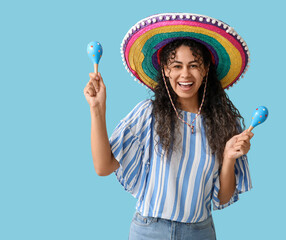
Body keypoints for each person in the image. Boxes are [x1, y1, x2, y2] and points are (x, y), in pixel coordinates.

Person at [84, 13, 254, 240]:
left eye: (194, 65)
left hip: (200, 232)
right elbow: (103, 167)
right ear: (165, 69)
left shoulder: (223, 123)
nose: (185, 74)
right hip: (149, 232)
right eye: (176, 65)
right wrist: (97, 109)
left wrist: (229, 157)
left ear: (205, 70)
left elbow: (223, 197)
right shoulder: (148, 114)